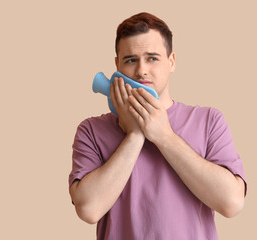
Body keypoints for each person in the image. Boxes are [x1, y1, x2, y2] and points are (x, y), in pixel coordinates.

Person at [68, 12, 247, 239]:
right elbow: (88, 209)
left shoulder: (210, 121)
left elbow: (232, 203)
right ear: (117, 65)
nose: (141, 70)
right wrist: (134, 135)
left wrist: (164, 135)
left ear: (171, 61)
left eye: (152, 58)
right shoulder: (91, 130)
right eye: (131, 59)